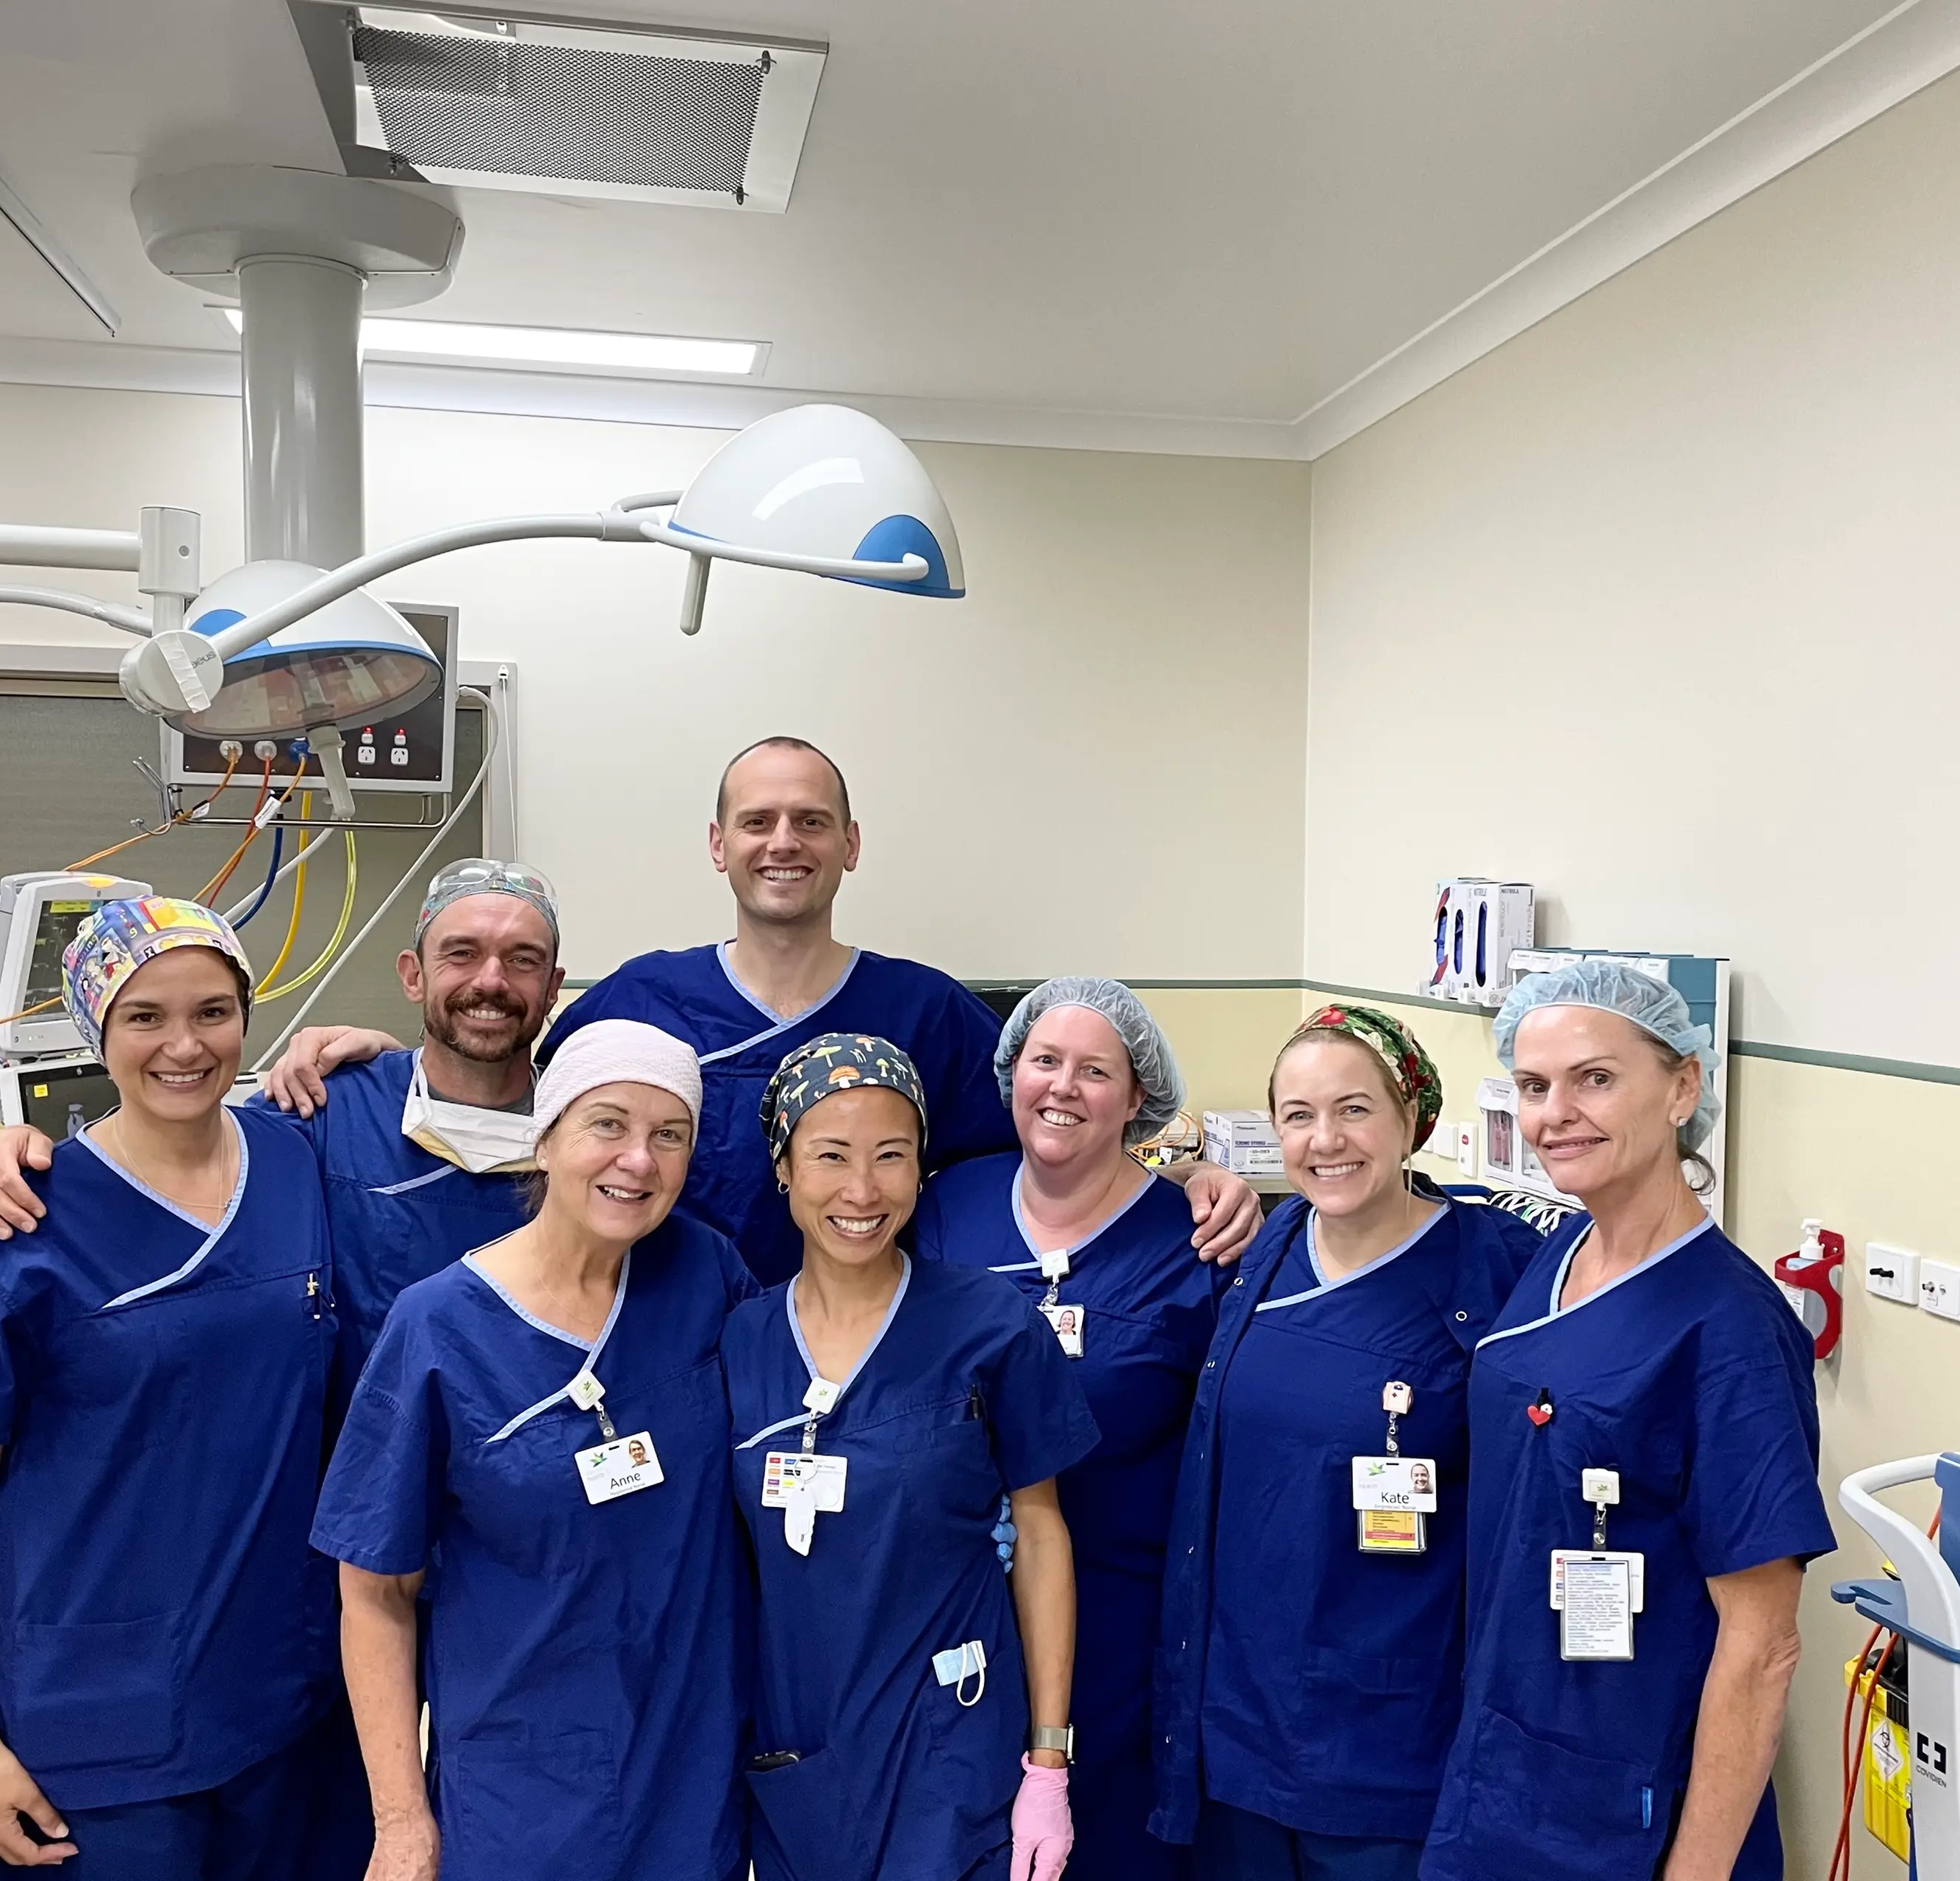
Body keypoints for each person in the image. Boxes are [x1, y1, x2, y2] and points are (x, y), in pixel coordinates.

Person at [267, 738, 1261, 1284]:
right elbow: (509, 1087)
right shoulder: (639, 1001)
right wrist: (391, 1058)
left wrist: (1190, 1174)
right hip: (661, 1340)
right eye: (758, 821)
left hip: (865, 1351)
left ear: (850, 844)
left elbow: (1050, 1145)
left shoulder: (926, 1012)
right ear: (718, 844)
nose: (783, 841)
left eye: (810, 821)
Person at [0, 899, 359, 1878]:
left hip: (286, 1698)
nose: (184, 1045)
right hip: (94, 1730)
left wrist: (370, 1043)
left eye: (214, 1012)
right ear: (99, 1027)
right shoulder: (20, 1216)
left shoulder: (299, 1163)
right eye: (145, 1017)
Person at [311, 1020, 755, 1881]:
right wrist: (401, 1819)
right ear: (545, 1137)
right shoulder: (439, 1327)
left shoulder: (707, 1276)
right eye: (608, 1124)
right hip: (520, 1785)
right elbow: (372, 1593)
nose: (639, 1159)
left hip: (692, 1771)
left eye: (670, 1135)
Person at [1423, 962, 1832, 1881]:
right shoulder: (1561, 1252)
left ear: (1683, 1085)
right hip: (1503, 1766)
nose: (1556, 1113)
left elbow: (1763, 1646)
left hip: (1634, 1810)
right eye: (1534, 1087)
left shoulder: (1728, 1329)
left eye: (1595, 1078)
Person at [1149, 1005, 1548, 1881]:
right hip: (1236, 1715)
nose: (1326, 1140)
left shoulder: (1494, 1267)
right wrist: (1187, 1170)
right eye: (1298, 1115)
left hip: (1396, 1737)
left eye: (1355, 1109)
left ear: (1413, 1117)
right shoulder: (1259, 1251)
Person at [0, 859, 567, 1391]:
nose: (491, 980)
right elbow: (176, 1147)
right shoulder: (322, 1111)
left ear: (552, 988)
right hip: (347, 1486)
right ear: (413, 975)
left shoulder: (594, 1143)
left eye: (521, 960)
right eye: (461, 953)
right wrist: (20, 1148)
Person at [726, 1034, 1100, 1881]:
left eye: (892, 1156)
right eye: (830, 1155)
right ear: (783, 1167)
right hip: (802, 1749)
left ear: (922, 1167)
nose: (862, 1190)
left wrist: (1048, 1762)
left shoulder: (990, 1323)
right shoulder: (742, 1338)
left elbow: (1041, 1535)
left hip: (953, 1737)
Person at [913, 979, 1221, 1881]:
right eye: (1045, 1060)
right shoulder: (945, 1207)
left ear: (1138, 1098)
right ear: (1011, 1072)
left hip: (1125, 1621)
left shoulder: (1196, 1236)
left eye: (1096, 1070)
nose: (1062, 1086)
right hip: (956, 1603)